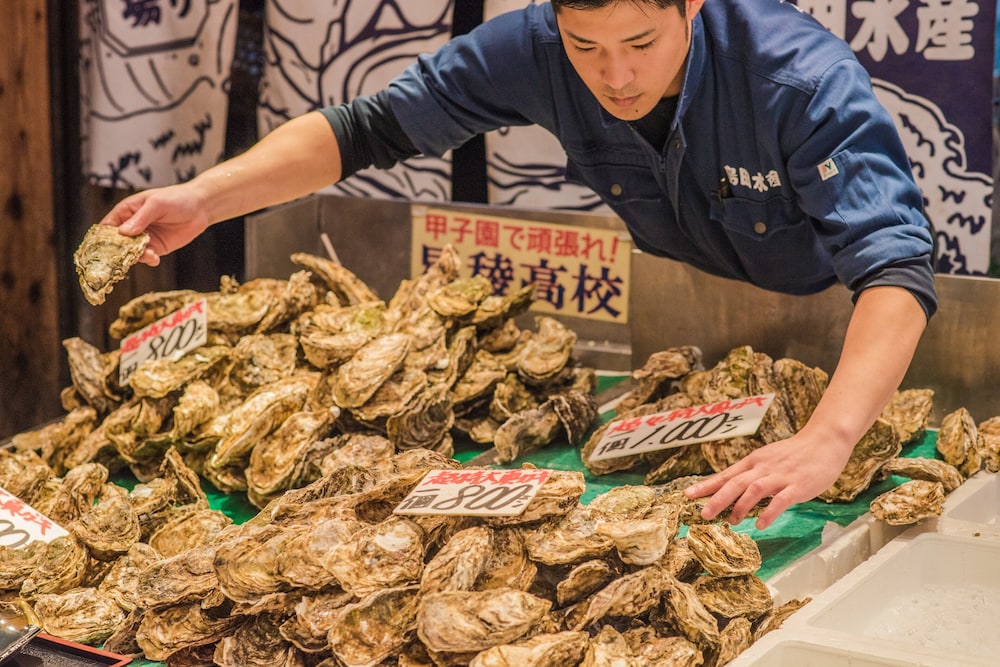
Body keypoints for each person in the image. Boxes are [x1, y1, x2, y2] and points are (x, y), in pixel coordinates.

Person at [96, 0, 936, 530]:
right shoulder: (532, 49)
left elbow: (896, 268)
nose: (616, 76)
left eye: (641, 42)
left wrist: (829, 437)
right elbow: (366, 128)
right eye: (586, 46)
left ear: (692, 6)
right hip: (681, 345)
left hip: (850, 352)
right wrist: (207, 197)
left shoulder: (798, 79)